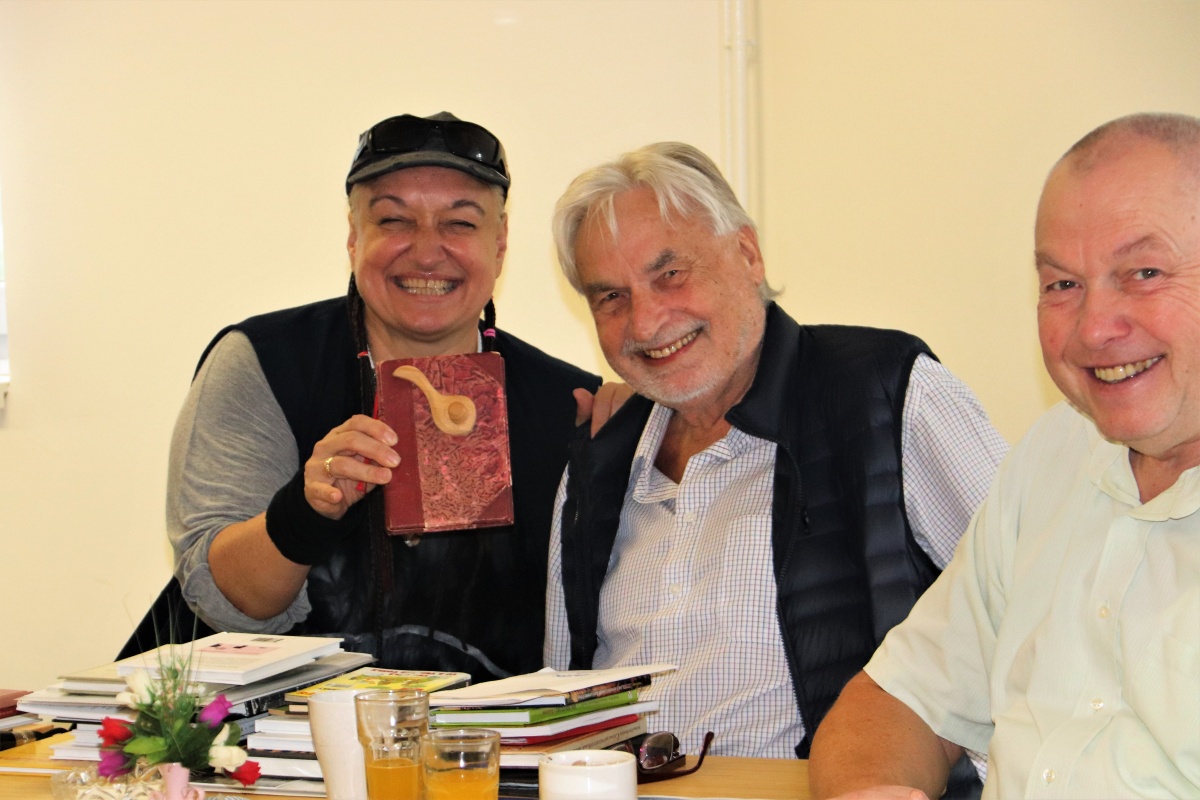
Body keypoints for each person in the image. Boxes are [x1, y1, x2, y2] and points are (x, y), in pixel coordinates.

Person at [543, 142, 1008, 765]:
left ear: (747, 254)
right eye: (611, 298)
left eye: (670, 274)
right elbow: (561, 703)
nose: (646, 322)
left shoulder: (886, 394)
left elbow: (1036, 611)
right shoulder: (599, 466)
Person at [808, 112, 1200, 800]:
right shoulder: (1056, 453)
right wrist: (873, 788)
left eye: (1144, 272)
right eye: (1062, 285)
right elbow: (899, 699)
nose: (1094, 329)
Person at [167, 112, 600, 681]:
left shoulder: (568, 402)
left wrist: (633, 444)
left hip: (500, 728)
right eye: (394, 219)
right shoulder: (266, 364)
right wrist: (306, 509)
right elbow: (223, 601)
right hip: (295, 723)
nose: (427, 252)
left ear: (500, 245)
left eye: (460, 223)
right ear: (354, 238)